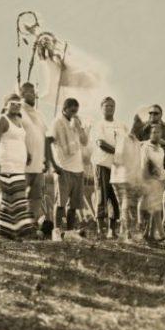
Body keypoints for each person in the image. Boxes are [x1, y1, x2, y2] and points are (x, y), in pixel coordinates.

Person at [46, 96, 88, 241]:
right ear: (64, 109)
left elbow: (84, 141)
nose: (74, 113)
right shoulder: (57, 122)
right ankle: (56, 231)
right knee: (60, 203)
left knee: (74, 204)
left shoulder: (77, 122)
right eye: (71, 111)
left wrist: (79, 127)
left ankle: (69, 232)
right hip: (63, 168)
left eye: (76, 111)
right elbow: (47, 142)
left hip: (78, 168)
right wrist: (53, 165)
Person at [0, 93, 35, 239]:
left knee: (15, 199)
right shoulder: (3, 120)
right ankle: (12, 232)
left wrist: (28, 153)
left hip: (19, 165)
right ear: (6, 105)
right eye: (13, 103)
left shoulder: (19, 120)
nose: (16, 106)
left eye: (18, 104)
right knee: (12, 198)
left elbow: (21, 139)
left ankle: (8, 233)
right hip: (7, 164)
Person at [90, 95, 126, 238]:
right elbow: (101, 143)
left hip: (117, 166)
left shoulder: (121, 125)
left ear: (115, 108)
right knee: (101, 195)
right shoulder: (99, 124)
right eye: (106, 106)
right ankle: (100, 229)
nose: (109, 108)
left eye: (112, 106)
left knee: (115, 197)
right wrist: (118, 152)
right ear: (101, 108)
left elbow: (125, 143)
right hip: (102, 163)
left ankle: (112, 230)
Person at [19, 82, 49, 227]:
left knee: (36, 196)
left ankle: (32, 225)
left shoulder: (39, 114)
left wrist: (47, 159)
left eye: (33, 91)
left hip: (38, 162)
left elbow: (45, 137)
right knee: (20, 194)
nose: (32, 94)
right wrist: (24, 150)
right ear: (22, 94)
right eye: (28, 92)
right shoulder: (18, 110)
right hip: (22, 161)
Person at [111, 119, 144, 242]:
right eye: (138, 125)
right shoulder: (123, 138)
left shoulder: (136, 142)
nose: (139, 128)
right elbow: (118, 158)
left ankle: (124, 233)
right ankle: (126, 234)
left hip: (129, 177)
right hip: (121, 177)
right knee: (126, 205)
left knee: (124, 206)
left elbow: (137, 163)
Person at [140, 123, 165, 242]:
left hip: (159, 180)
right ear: (150, 134)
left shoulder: (161, 150)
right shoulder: (145, 147)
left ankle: (150, 234)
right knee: (150, 207)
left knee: (156, 206)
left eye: (158, 132)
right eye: (153, 132)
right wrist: (147, 179)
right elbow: (144, 165)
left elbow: (160, 166)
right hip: (148, 179)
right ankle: (160, 233)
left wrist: (163, 177)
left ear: (161, 134)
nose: (156, 134)